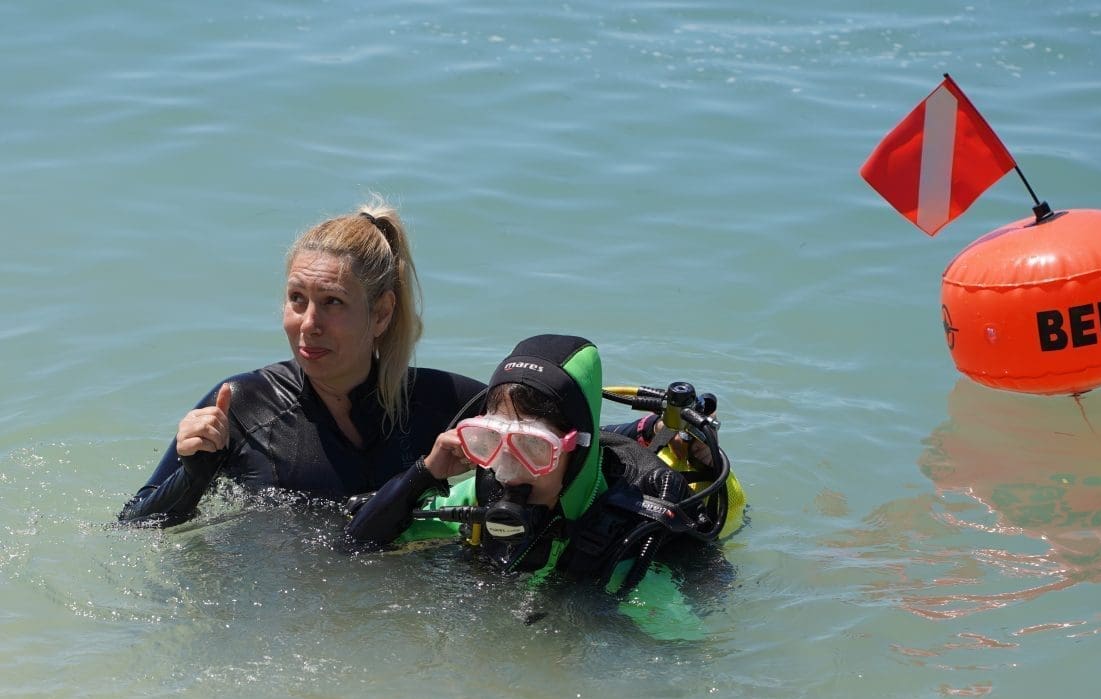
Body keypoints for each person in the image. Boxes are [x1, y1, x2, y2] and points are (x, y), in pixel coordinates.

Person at [119, 198, 485, 527]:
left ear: (381, 313)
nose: (309, 323)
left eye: (332, 302)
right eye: (297, 298)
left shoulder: (440, 404)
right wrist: (192, 475)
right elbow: (133, 524)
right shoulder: (243, 407)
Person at [344, 334, 738, 637]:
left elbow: (688, 649)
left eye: (533, 448)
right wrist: (425, 473)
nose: (508, 471)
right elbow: (358, 543)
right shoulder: (484, 491)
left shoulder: (628, 541)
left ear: (575, 450)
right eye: (490, 441)